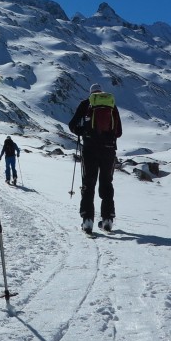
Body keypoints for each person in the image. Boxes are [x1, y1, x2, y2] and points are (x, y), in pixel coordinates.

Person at [68, 83, 123, 232]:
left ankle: (87, 221)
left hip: (90, 150)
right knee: (106, 183)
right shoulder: (111, 105)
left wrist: (82, 131)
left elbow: (72, 125)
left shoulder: (86, 104)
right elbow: (118, 132)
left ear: (91, 93)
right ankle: (107, 220)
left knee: (88, 183)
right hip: (109, 151)